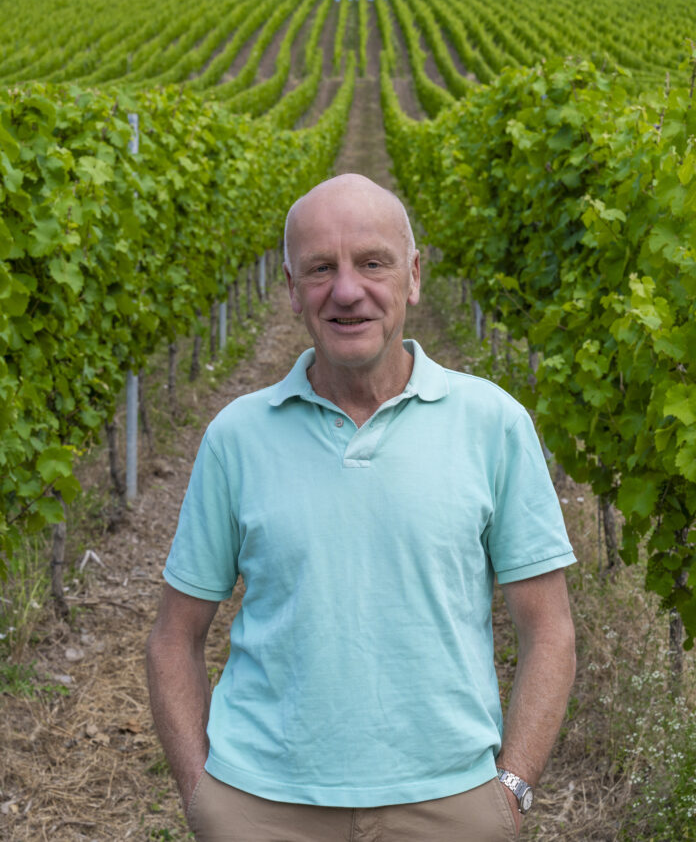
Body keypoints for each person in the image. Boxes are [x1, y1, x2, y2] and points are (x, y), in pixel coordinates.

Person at [146, 173, 576, 842]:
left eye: (372, 263)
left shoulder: (493, 423)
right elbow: (174, 636)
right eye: (321, 268)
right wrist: (203, 796)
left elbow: (549, 629)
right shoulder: (236, 436)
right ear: (291, 289)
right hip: (261, 807)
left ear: (414, 276)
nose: (347, 291)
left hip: (449, 806)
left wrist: (512, 789)